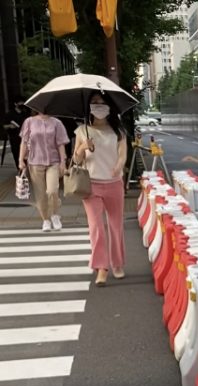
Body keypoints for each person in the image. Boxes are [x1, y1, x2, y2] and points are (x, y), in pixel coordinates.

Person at [72, 91, 127, 286]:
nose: (99, 106)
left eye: (102, 102)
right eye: (95, 102)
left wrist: (119, 165)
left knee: (115, 226)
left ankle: (118, 263)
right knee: (96, 227)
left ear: (109, 107)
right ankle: (101, 268)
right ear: (89, 107)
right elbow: (75, 160)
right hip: (91, 185)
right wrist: (81, 148)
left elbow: (122, 154)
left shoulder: (118, 131)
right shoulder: (82, 131)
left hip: (114, 184)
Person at [18, 107, 69, 231]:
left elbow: (61, 143)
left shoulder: (57, 122)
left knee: (52, 190)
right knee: (40, 195)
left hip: (53, 161)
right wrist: (20, 160)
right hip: (35, 162)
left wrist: (63, 162)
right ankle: (45, 219)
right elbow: (24, 142)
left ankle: (55, 215)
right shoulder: (29, 121)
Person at [3, 100, 30, 166]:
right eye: (20, 102)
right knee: (16, 152)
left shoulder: (25, 114)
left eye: (23, 102)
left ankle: (26, 168)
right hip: (14, 136)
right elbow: (4, 126)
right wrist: (10, 126)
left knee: (26, 153)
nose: (22, 104)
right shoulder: (10, 114)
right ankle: (19, 168)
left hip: (25, 136)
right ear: (15, 103)